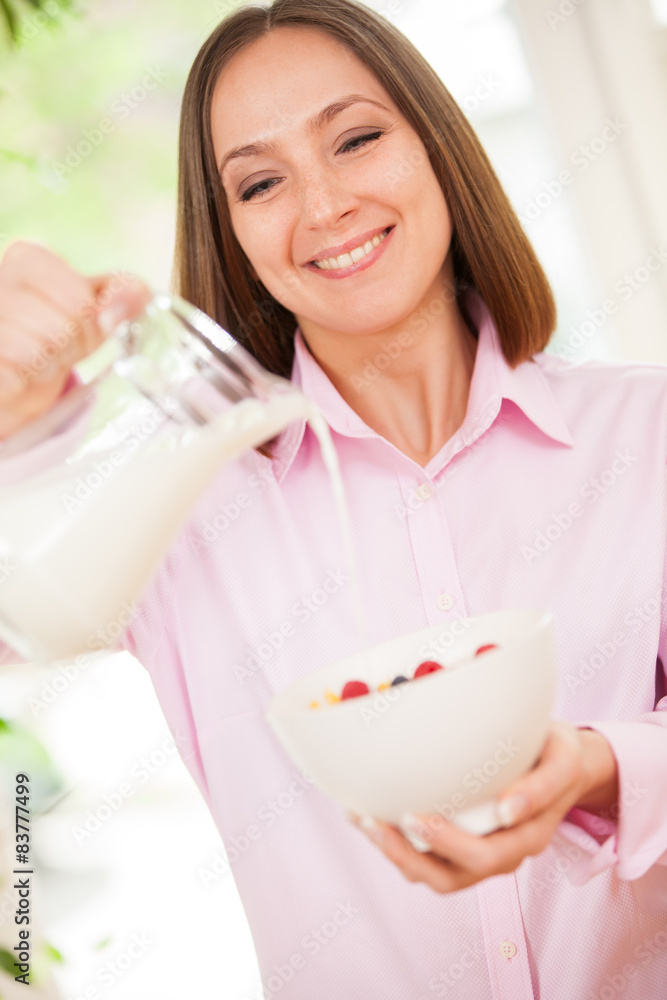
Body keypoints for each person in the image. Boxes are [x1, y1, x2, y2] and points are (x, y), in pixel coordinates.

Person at [1, 0, 667, 997]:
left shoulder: (645, 435)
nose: (321, 207)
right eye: (261, 182)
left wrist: (606, 768)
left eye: (356, 138)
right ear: (230, 235)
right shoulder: (181, 506)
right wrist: (23, 429)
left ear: (438, 148)